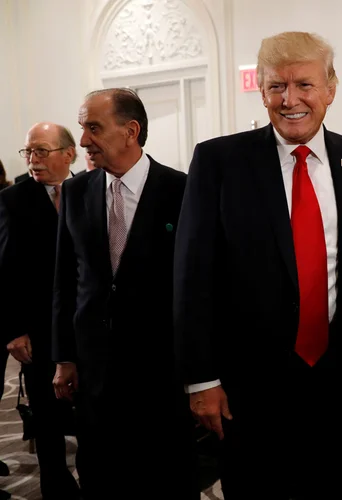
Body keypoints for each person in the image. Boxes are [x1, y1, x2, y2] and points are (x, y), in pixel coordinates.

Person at [173, 31, 342, 499]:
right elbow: (192, 277)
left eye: (304, 85)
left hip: (338, 385)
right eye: (276, 86)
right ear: (262, 90)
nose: (289, 100)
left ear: (331, 88)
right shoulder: (218, 162)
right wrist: (202, 379)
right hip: (247, 391)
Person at [51, 88, 196, 499]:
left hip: (161, 372)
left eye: (93, 128)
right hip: (95, 371)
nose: (82, 141)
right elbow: (65, 279)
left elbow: (199, 286)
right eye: (82, 128)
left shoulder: (182, 191)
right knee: (100, 474)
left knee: (164, 476)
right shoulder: (76, 192)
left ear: (131, 131)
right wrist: (64, 356)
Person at [0, 123, 80, 500]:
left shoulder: (90, 189)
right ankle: (55, 488)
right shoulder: (14, 200)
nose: (33, 159)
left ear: (69, 154)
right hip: (39, 328)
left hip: (86, 326)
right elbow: (5, 269)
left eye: (42, 151)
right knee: (47, 417)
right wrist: (14, 330)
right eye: (29, 152)